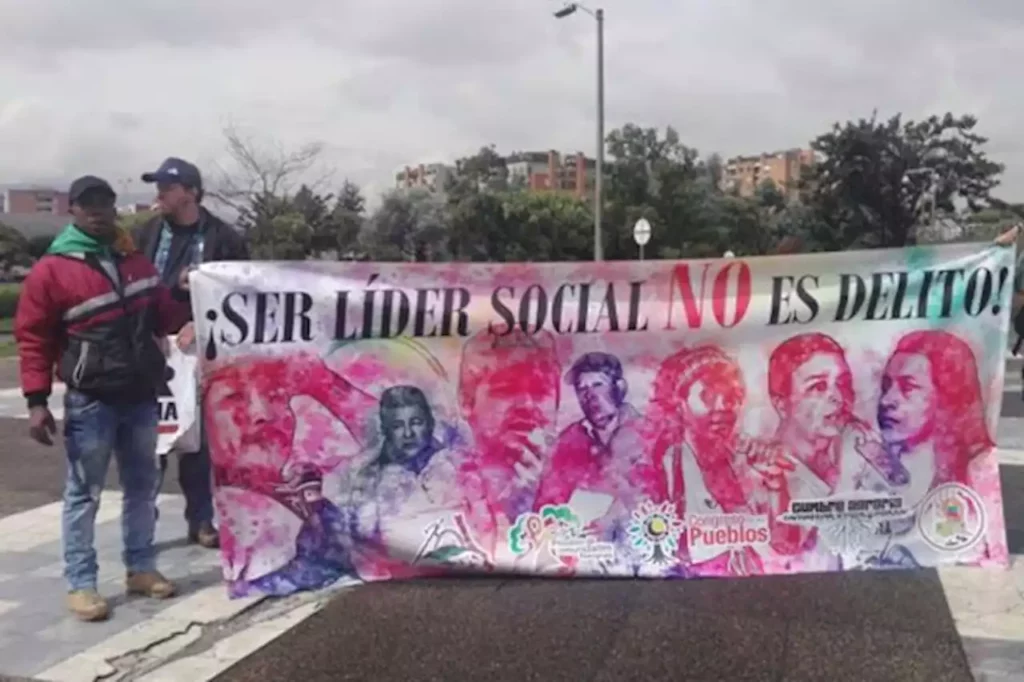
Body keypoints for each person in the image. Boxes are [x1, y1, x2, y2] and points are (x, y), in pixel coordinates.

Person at [15, 176, 187, 621]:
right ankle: (81, 584)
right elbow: (33, 338)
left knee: (142, 487)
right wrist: (36, 401)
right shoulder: (52, 269)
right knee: (83, 494)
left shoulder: (136, 261)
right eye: (87, 204)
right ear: (72, 210)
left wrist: (187, 290)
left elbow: (166, 315)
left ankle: (141, 567)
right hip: (91, 400)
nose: (97, 211)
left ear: (114, 207)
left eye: (104, 202)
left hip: (141, 395)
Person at [133, 157, 249, 549]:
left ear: (191, 193)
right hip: (150, 347)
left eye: (167, 187)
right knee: (149, 439)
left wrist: (201, 324)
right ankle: (141, 524)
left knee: (196, 441)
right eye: (158, 187)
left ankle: (200, 519)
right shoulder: (147, 233)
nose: (160, 194)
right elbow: (134, 285)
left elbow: (240, 293)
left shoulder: (223, 237)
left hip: (199, 348)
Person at [533, 352, 651, 543]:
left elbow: (652, 493)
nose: (590, 396)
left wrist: (611, 518)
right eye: (582, 389)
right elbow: (546, 504)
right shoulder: (569, 441)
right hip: (580, 547)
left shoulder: (648, 434)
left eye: (598, 385)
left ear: (619, 388)